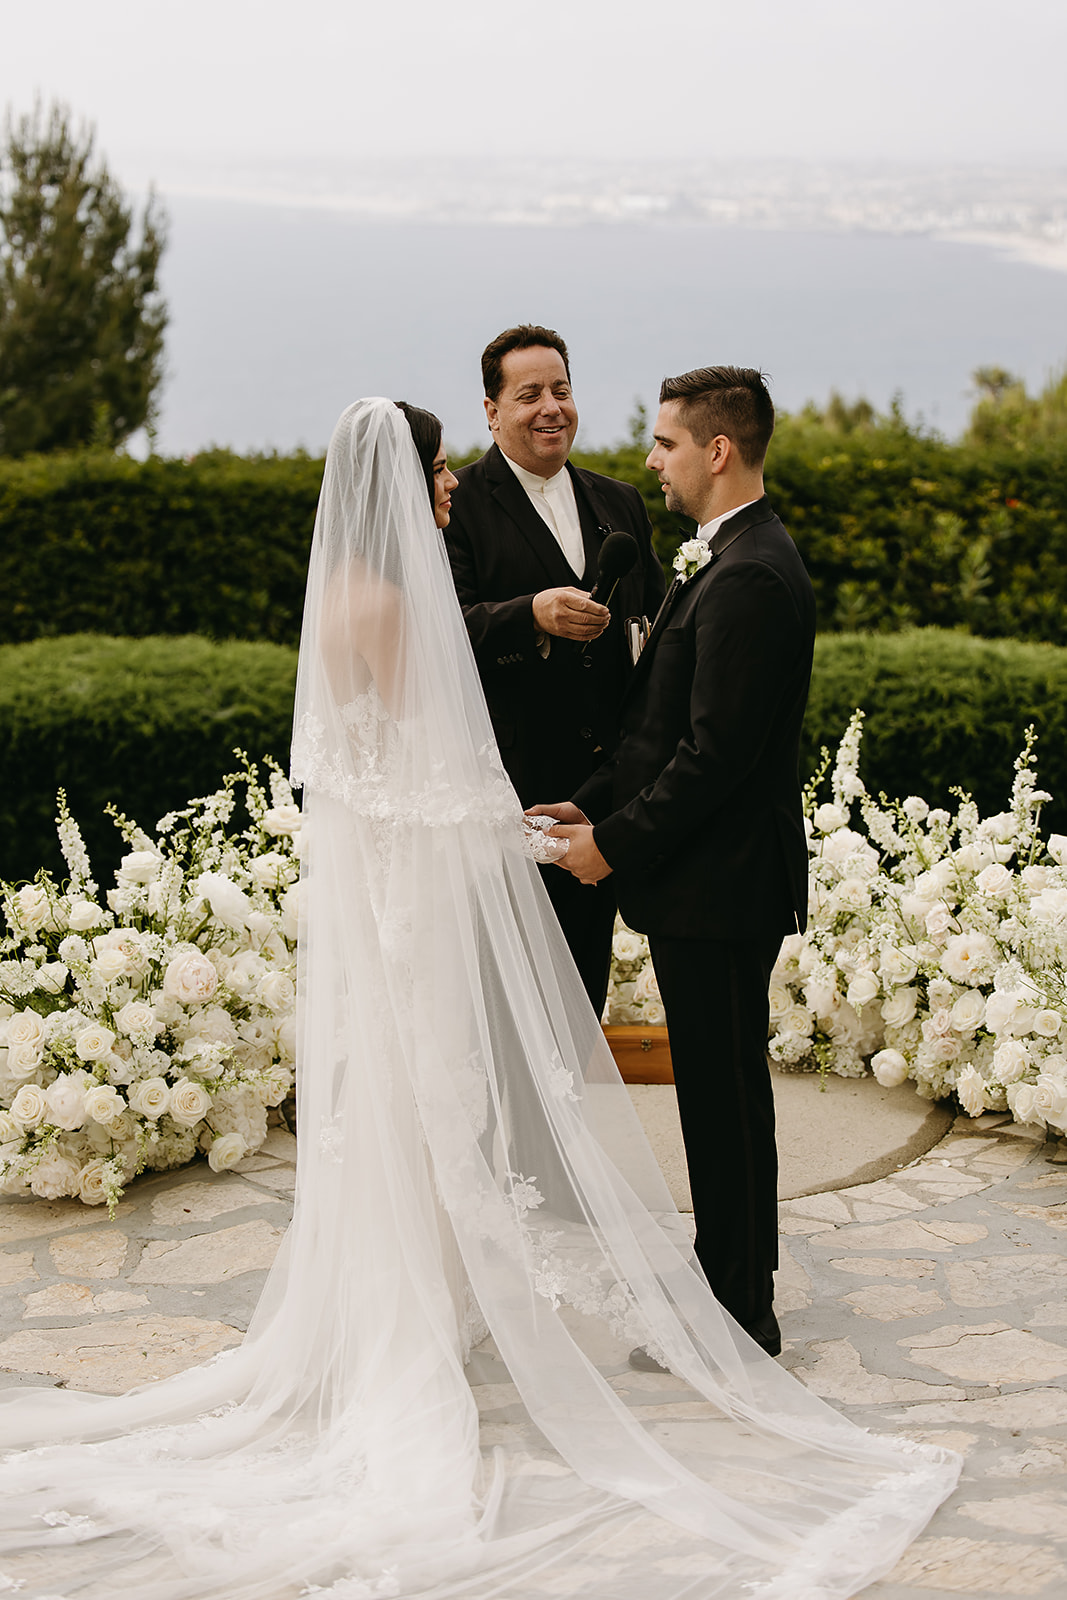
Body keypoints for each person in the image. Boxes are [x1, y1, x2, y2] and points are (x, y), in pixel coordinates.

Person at [0, 398, 958, 1600]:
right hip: (422, 899)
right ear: (407, 481)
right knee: (437, 1096)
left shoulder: (352, 598)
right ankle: (428, 1321)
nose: (453, 482)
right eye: (443, 464)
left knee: (411, 1102)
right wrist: (520, 832)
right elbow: (418, 777)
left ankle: (417, 1301)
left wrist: (552, 823)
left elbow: (364, 779)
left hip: (409, 899)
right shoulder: (395, 609)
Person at [536, 367, 814, 1362]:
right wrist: (590, 802)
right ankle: (726, 1279)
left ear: (716, 450)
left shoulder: (747, 575)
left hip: (722, 885)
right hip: (707, 883)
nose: (649, 461)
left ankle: (738, 1310)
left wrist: (606, 848)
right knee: (713, 1092)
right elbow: (659, 731)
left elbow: (713, 759)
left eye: (663, 443)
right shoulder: (721, 557)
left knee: (723, 1098)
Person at [444, 325, 664, 1014]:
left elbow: (657, 624)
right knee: (504, 1005)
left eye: (561, 391)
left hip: (601, 794)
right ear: (490, 410)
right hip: (505, 789)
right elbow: (437, 629)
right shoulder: (458, 503)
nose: (551, 408)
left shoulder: (618, 501)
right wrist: (528, 613)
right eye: (529, 394)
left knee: (577, 1002)